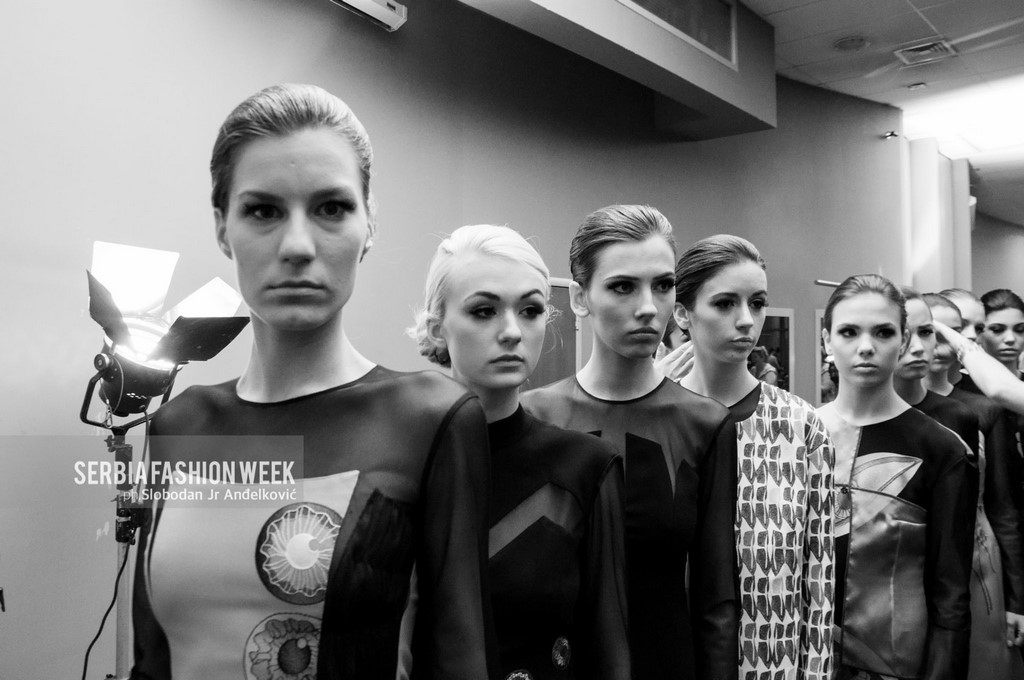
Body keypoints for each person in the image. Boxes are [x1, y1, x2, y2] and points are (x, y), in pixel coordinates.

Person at [129, 84, 494, 680]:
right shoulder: (181, 423)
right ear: (222, 228)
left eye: (331, 208)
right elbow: (152, 658)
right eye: (263, 211)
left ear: (369, 224)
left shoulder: (427, 419)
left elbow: (461, 655)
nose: (297, 247)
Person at [522, 205, 738, 680]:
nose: (648, 307)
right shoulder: (536, 417)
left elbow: (717, 599)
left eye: (663, 285)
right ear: (580, 297)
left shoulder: (705, 424)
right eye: (623, 286)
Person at [408, 224, 630, 680]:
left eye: (530, 310)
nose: (512, 331)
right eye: (484, 310)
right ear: (437, 328)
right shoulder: (400, 460)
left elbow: (608, 649)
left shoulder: (585, 466)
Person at [668, 234, 834, 680]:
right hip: (672, 656)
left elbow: (818, 575)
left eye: (757, 303)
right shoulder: (657, 422)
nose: (746, 320)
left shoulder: (801, 425)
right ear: (682, 313)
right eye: (725, 303)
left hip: (773, 661)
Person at [817, 274, 976, 680]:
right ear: (827, 340)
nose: (865, 346)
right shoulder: (799, 435)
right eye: (849, 332)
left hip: (898, 664)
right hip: (802, 657)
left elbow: (950, 592)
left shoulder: (942, 449)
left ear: (903, 340)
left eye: (883, 332)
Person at [895, 288, 1024, 677]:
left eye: (929, 333)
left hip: (975, 563)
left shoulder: (974, 412)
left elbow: (1003, 506)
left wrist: (1016, 598)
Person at [979, 289, 1024, 378]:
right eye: (997, 330)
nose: (1010, 339)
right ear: (979, 332)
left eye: (1020, 329)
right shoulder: (958, 382)